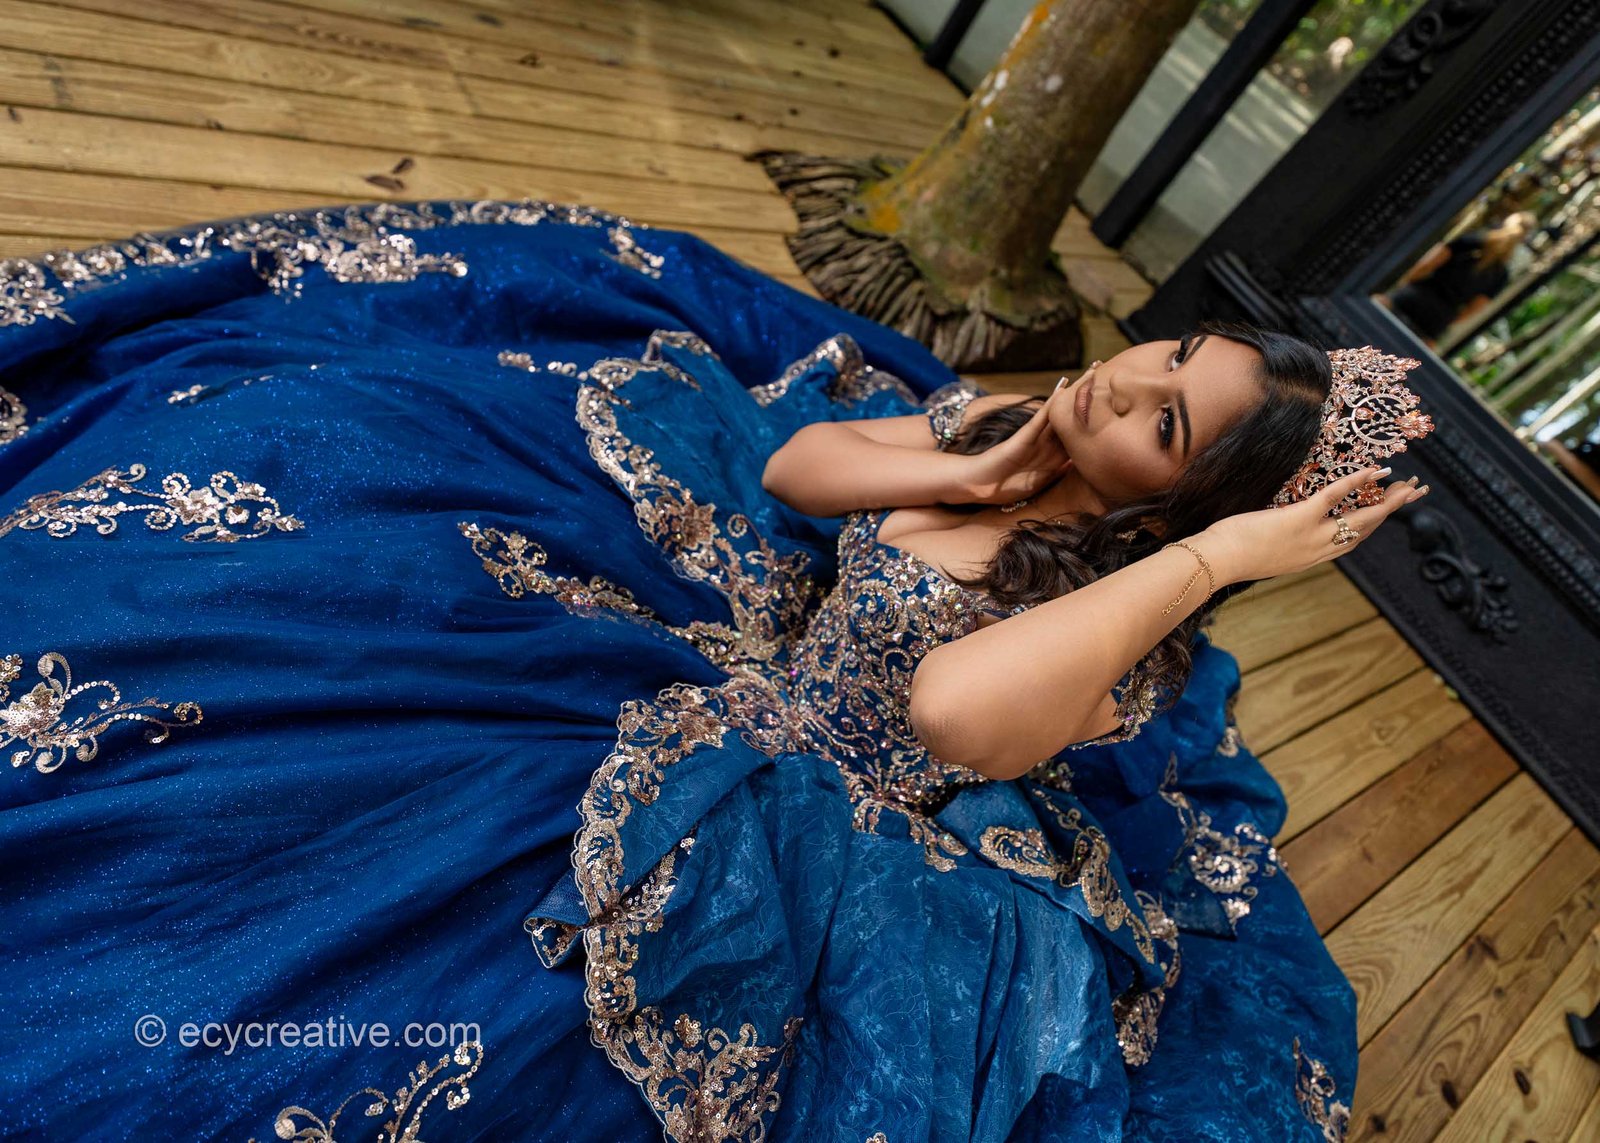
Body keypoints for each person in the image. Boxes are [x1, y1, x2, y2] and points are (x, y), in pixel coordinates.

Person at [0, 197, 1432, 1141]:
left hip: (843, 824)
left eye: (1164, 425)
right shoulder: (1017, 432)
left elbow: (949, 712)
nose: (1122, 378)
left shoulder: (1121, 628)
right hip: (745, 673)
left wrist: (1205, 561)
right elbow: (800, 469)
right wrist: (971, 465)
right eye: (1170, 353)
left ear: (1173, 511)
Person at [1381, 211, 1538, 346]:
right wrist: (1447, 320)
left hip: (1415, 295)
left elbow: (1427, 264)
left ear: (1506, 223)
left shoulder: (1471, 241)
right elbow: (1472, 310)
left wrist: (1405, 282)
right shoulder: (1501, 276)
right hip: (1437, 320)